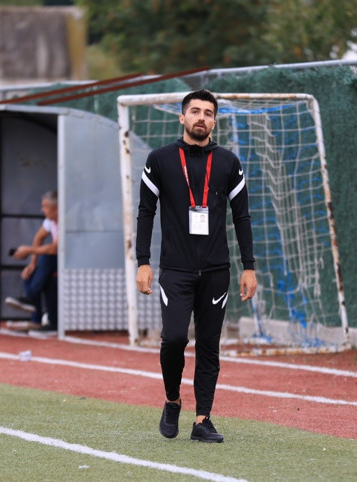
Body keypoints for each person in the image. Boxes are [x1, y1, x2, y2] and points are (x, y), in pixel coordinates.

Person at [136, 89, 257, 443]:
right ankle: (172, 399)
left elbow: (242, 216)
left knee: (208, 343)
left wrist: (248, 266)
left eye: (207, 112)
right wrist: (142, 262)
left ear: (214, 120)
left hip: (217, 269)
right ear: (182, 117)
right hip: (175, 269)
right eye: (194, 111)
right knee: (174, 338)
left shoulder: (228, 162)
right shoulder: (159, 159)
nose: (201, 117)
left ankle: (202, 419)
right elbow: (146, 212)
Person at [5, 190, 58, 335]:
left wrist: (28, 250)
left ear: (56, 208)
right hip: (55, 261)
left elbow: (55, 248)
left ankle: (30, 299)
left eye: (45, 206)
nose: (42, 210)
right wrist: (32, 262)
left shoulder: (65, 220)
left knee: (46, 258)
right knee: (31, 272)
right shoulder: (49, 221)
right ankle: (37, 320)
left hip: (71, 261)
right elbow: (38, 238)